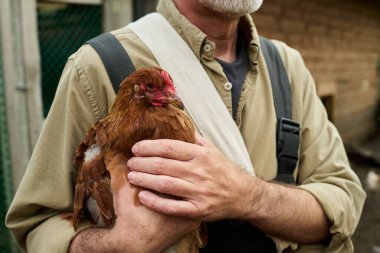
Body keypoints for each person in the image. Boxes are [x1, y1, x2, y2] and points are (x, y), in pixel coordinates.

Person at [6, 0, 366, 252]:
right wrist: (116, 246)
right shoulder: (97, 66)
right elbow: (37, 223)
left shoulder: (289, 68)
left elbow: (343, 201)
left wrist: (247, 195)